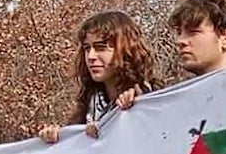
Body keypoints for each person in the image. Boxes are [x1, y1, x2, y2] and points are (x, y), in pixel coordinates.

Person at [40, 11, 157, 143]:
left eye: (101, 48)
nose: (91, 57)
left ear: (125, 50)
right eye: (87, 48)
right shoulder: (88, 107)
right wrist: (57, 139)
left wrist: (133, 112)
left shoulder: (152, 100)